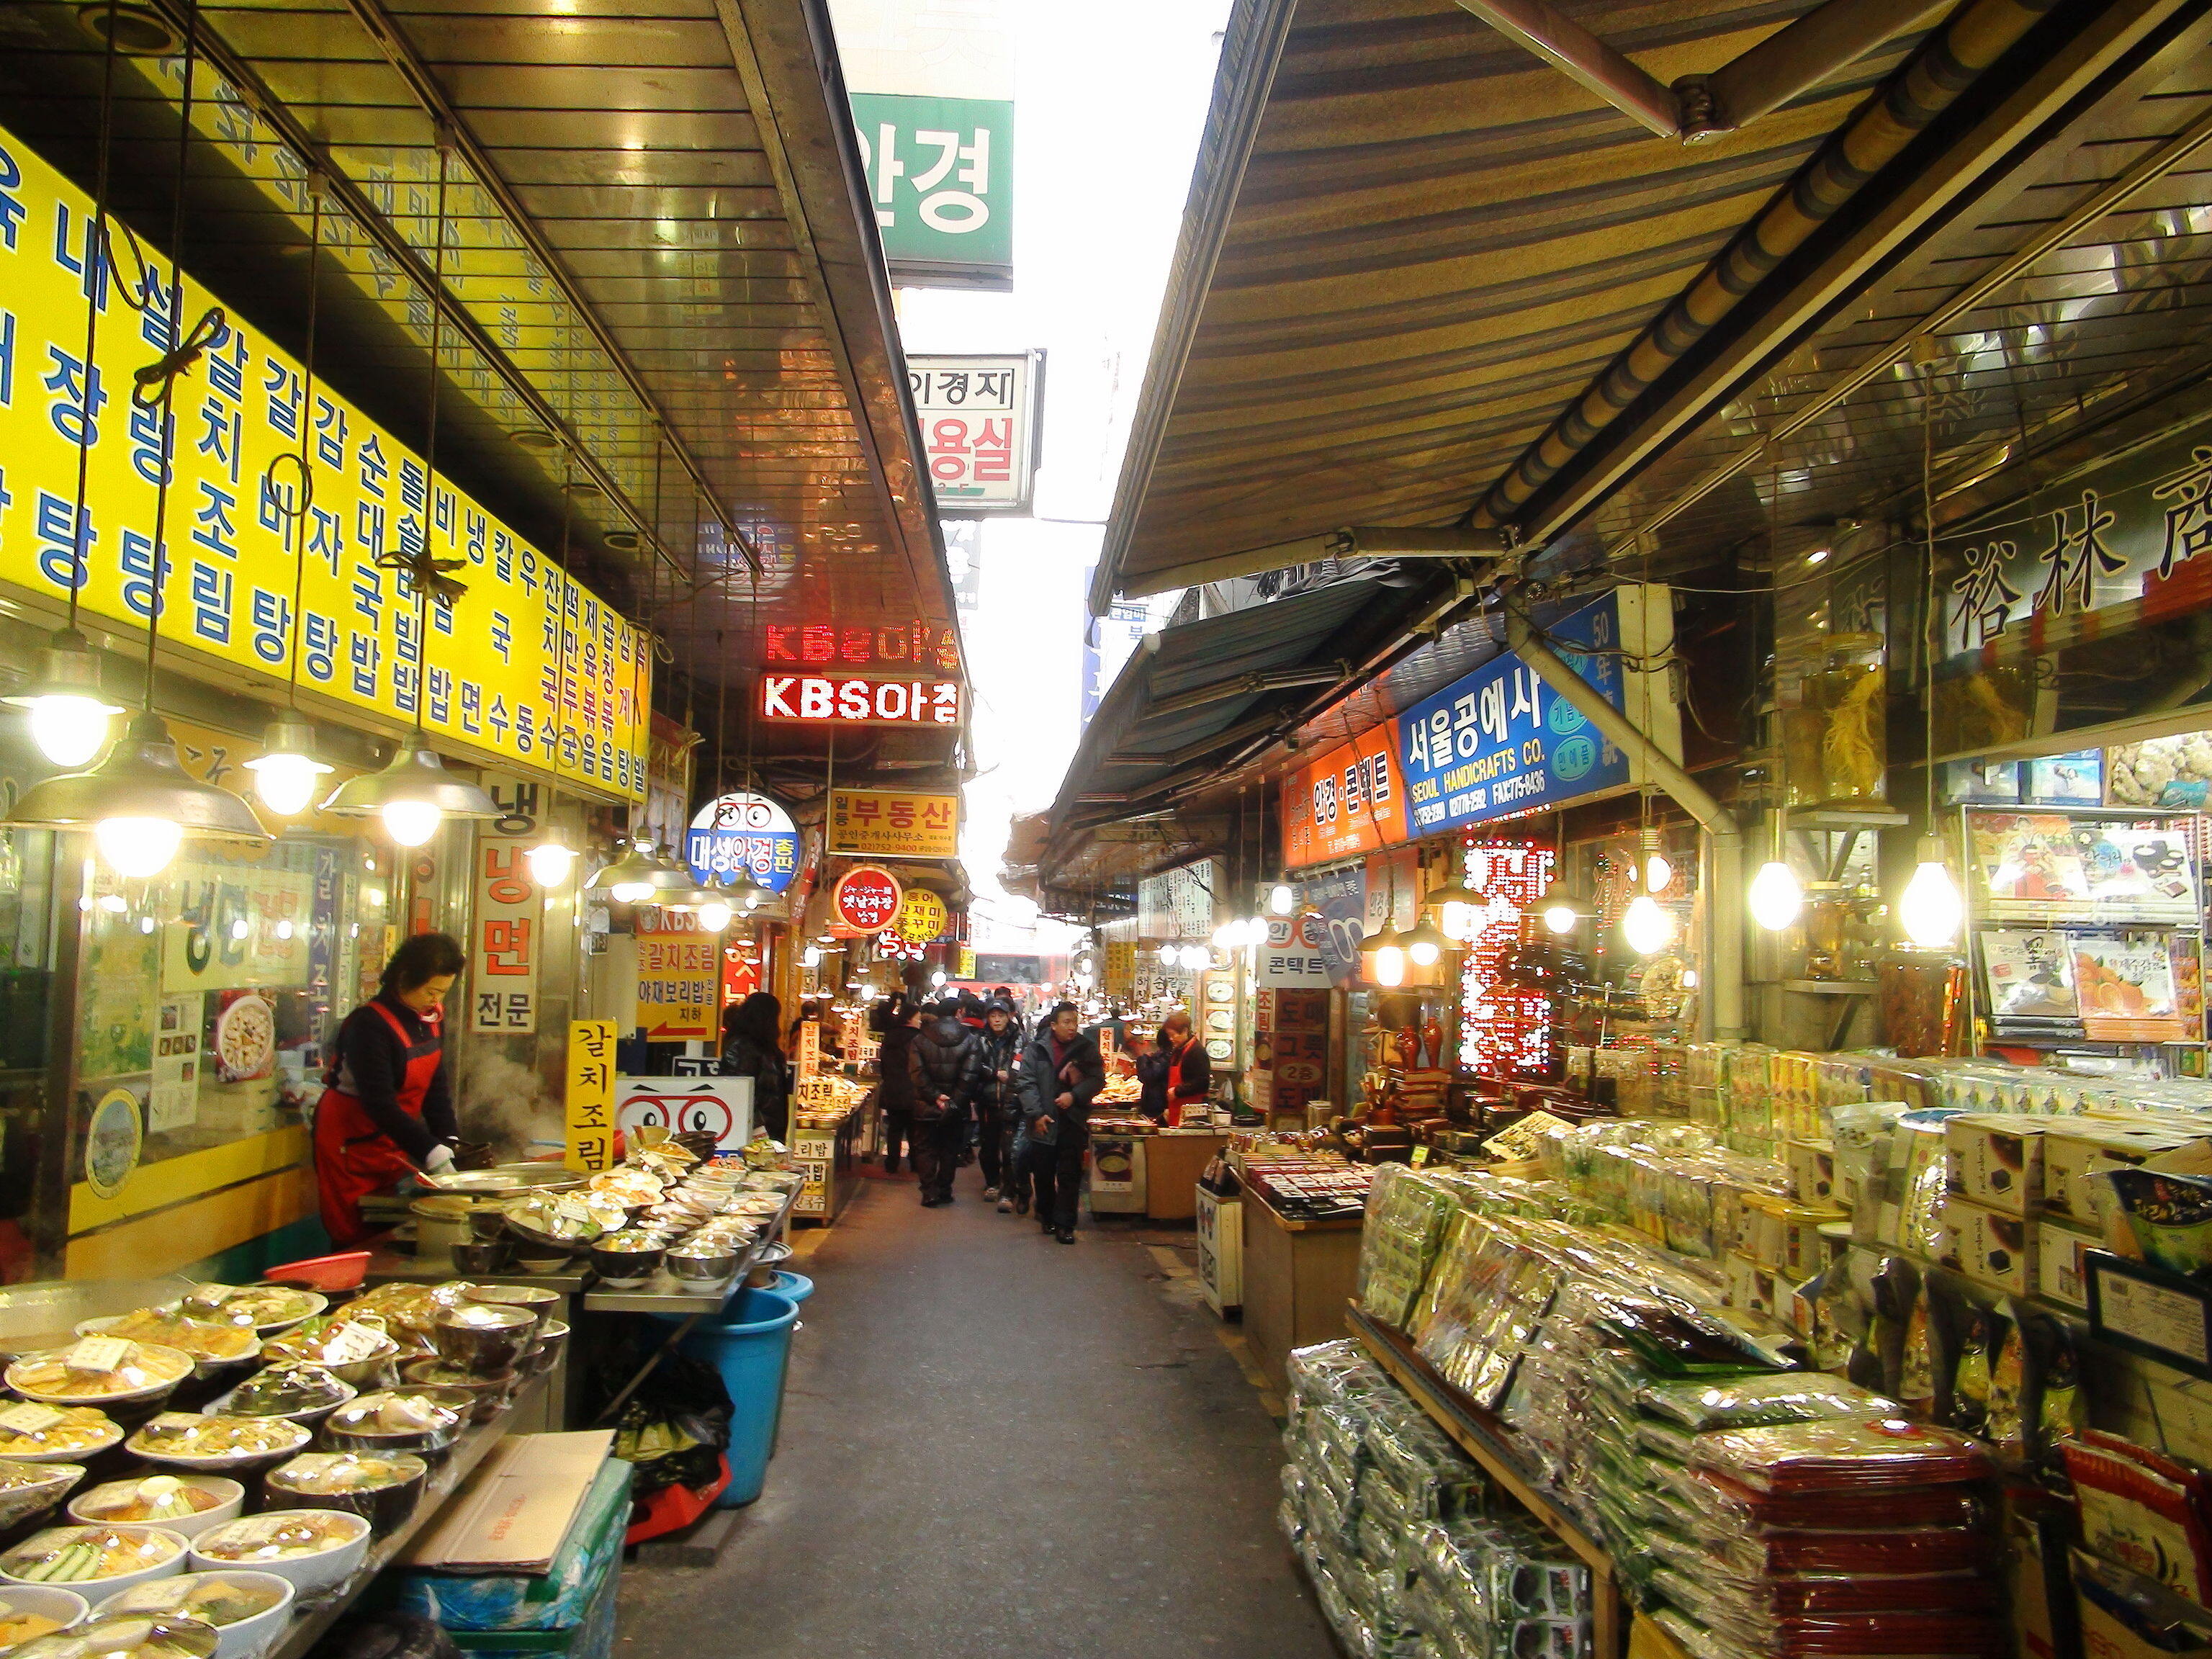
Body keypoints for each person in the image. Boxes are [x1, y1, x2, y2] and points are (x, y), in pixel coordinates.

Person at [313, 932, 466, 1248]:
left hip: (391, 1140)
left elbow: (436, 1085)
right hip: (350, 1142)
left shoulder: (430, 1017)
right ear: (405, 977)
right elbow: (379, 1103)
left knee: (386, 1232)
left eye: (442, 993)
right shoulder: (368, 1025)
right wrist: (429, 1150)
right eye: (431, 990)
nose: (435, 1000)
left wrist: (448, 1138)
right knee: (355, 1237)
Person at [1016, 1000, 1105, 1244]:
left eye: (1075, 1023)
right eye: (1066, 1022)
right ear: (1054, 1025)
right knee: (1043, 1173)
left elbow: (1098, 1080)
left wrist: (1074, 1095)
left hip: (1072, 1121)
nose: (1071, 1027)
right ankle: (1046, 1215)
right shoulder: (1036, 1049)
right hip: (1043, 1120)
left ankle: (1066, 1224)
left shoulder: (1086, 1048)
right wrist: (1035, 1114)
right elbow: (1026, 1082)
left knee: (1070, 1174)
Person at [906, 998, 981, 1206]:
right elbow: (970, 1075)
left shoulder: (919, 1040)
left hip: (926, 1104)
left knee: (925, 1148)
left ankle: (929, 1191)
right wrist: (953, 1102)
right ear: (959, 1012)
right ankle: (945, 1189)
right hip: (956, 1108)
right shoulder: (971, 1039)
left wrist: (935, 1096)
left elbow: (917, 1073)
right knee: (949, 1149)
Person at [719, 992, 791, 1143]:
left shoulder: (765, 1046)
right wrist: (758, 1128)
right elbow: (738, 1091)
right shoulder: (740, 1047)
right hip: (755, 1131)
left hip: (770, 1127)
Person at [975, 999, 1024, 1209]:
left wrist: (1010, 1077)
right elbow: (975, 1064)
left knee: (1010, 1148)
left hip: (1012, 1100)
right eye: (993, 1016)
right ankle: (992, 1183)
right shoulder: (981, 1039)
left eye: (1001, 1016)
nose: (996, 1020)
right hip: (987, 1101)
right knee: (988, 1146)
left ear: (1009, 1017)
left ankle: (1008, 1191)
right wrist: (995, 1073)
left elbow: (1022, 1064)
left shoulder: (1020, 1038)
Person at [874, 998, 924, 1175]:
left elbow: (884, 1065)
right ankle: (915, 1163)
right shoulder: (917, 1039)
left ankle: (892, 1163)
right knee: (913, 1129)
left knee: (895, 1128)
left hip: (893, 1089)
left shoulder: (890, 1036)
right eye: (918, 1018)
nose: (920, 1021)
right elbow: (918, 1067)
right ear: (909, 1018)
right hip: (912, 1090)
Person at [1158, 1009, 1212, 1125]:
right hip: (1176, 1110)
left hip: (1192, 1116)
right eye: (1169, 1035)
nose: (1171, 1039)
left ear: (1185, 1031)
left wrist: (1177, 1091)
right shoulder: (1179, 1050)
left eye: (1173, 1035)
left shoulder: (1196, 1051)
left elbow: (1203, 1083)